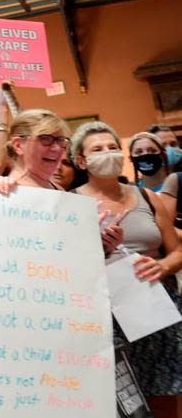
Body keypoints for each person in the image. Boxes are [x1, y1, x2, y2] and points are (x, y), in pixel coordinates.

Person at [70, 122, 182, 416]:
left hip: (157, 308)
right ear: (82, 161)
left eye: (112, 147)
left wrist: (161, 265)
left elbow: (177, 251)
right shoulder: (71, 202)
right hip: (106, 315)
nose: (107, 153)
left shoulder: (147, 196)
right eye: (97, 149)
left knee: (166, 392)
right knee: (124, 403)